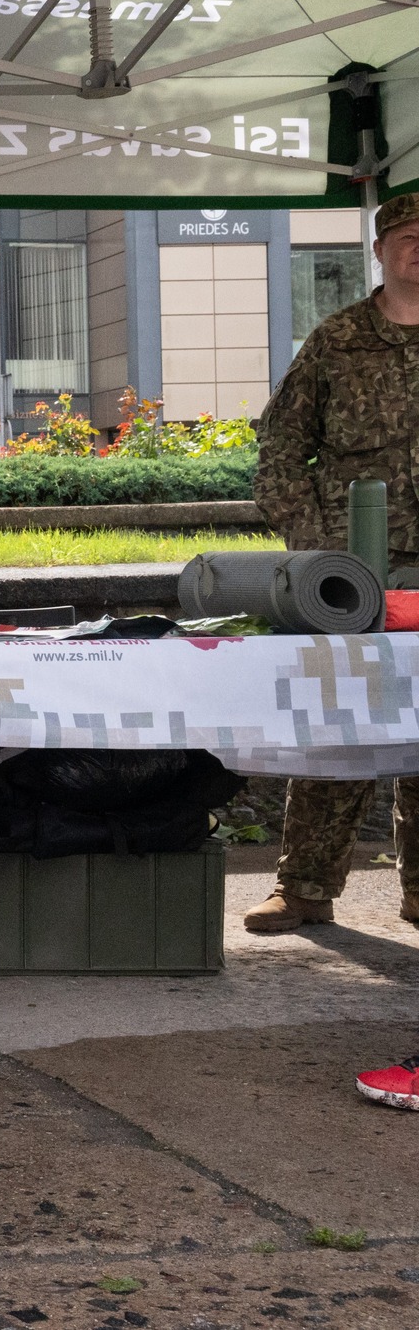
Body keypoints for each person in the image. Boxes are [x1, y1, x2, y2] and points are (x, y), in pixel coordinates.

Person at [250, 192, 419, 934]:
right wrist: (317, 552)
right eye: (406, 236)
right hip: (355, 573)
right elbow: (280, 449)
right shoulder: (336, 341)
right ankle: (304, 886)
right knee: (339, 720)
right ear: (378, 251)